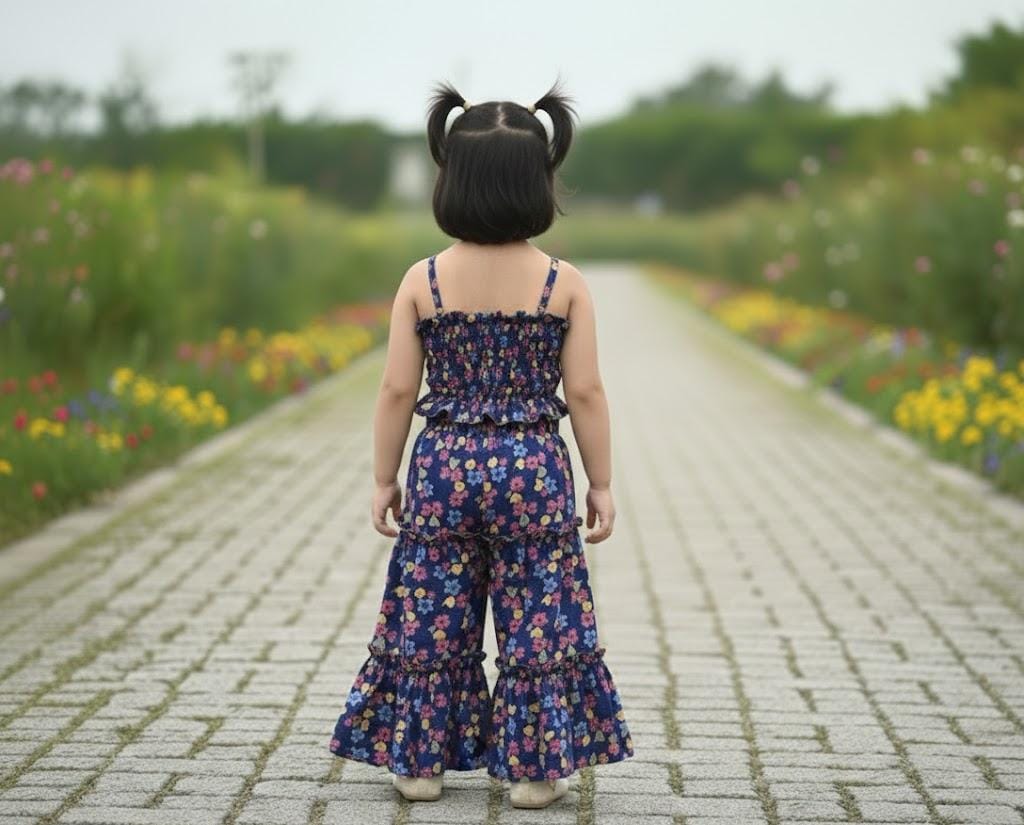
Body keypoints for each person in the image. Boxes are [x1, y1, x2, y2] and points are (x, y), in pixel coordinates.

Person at [328, 78, 634, 810]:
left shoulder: (423, 279)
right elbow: (586, 392)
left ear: (450, 180)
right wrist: (600, 481)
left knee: (432, 609)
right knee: (540, 610)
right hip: (533, 467)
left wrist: (383, 476)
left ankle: (420, 764)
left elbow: (397, 390)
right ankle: (534, 770)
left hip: (443, 465)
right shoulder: (564, 283)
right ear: (541, 181)